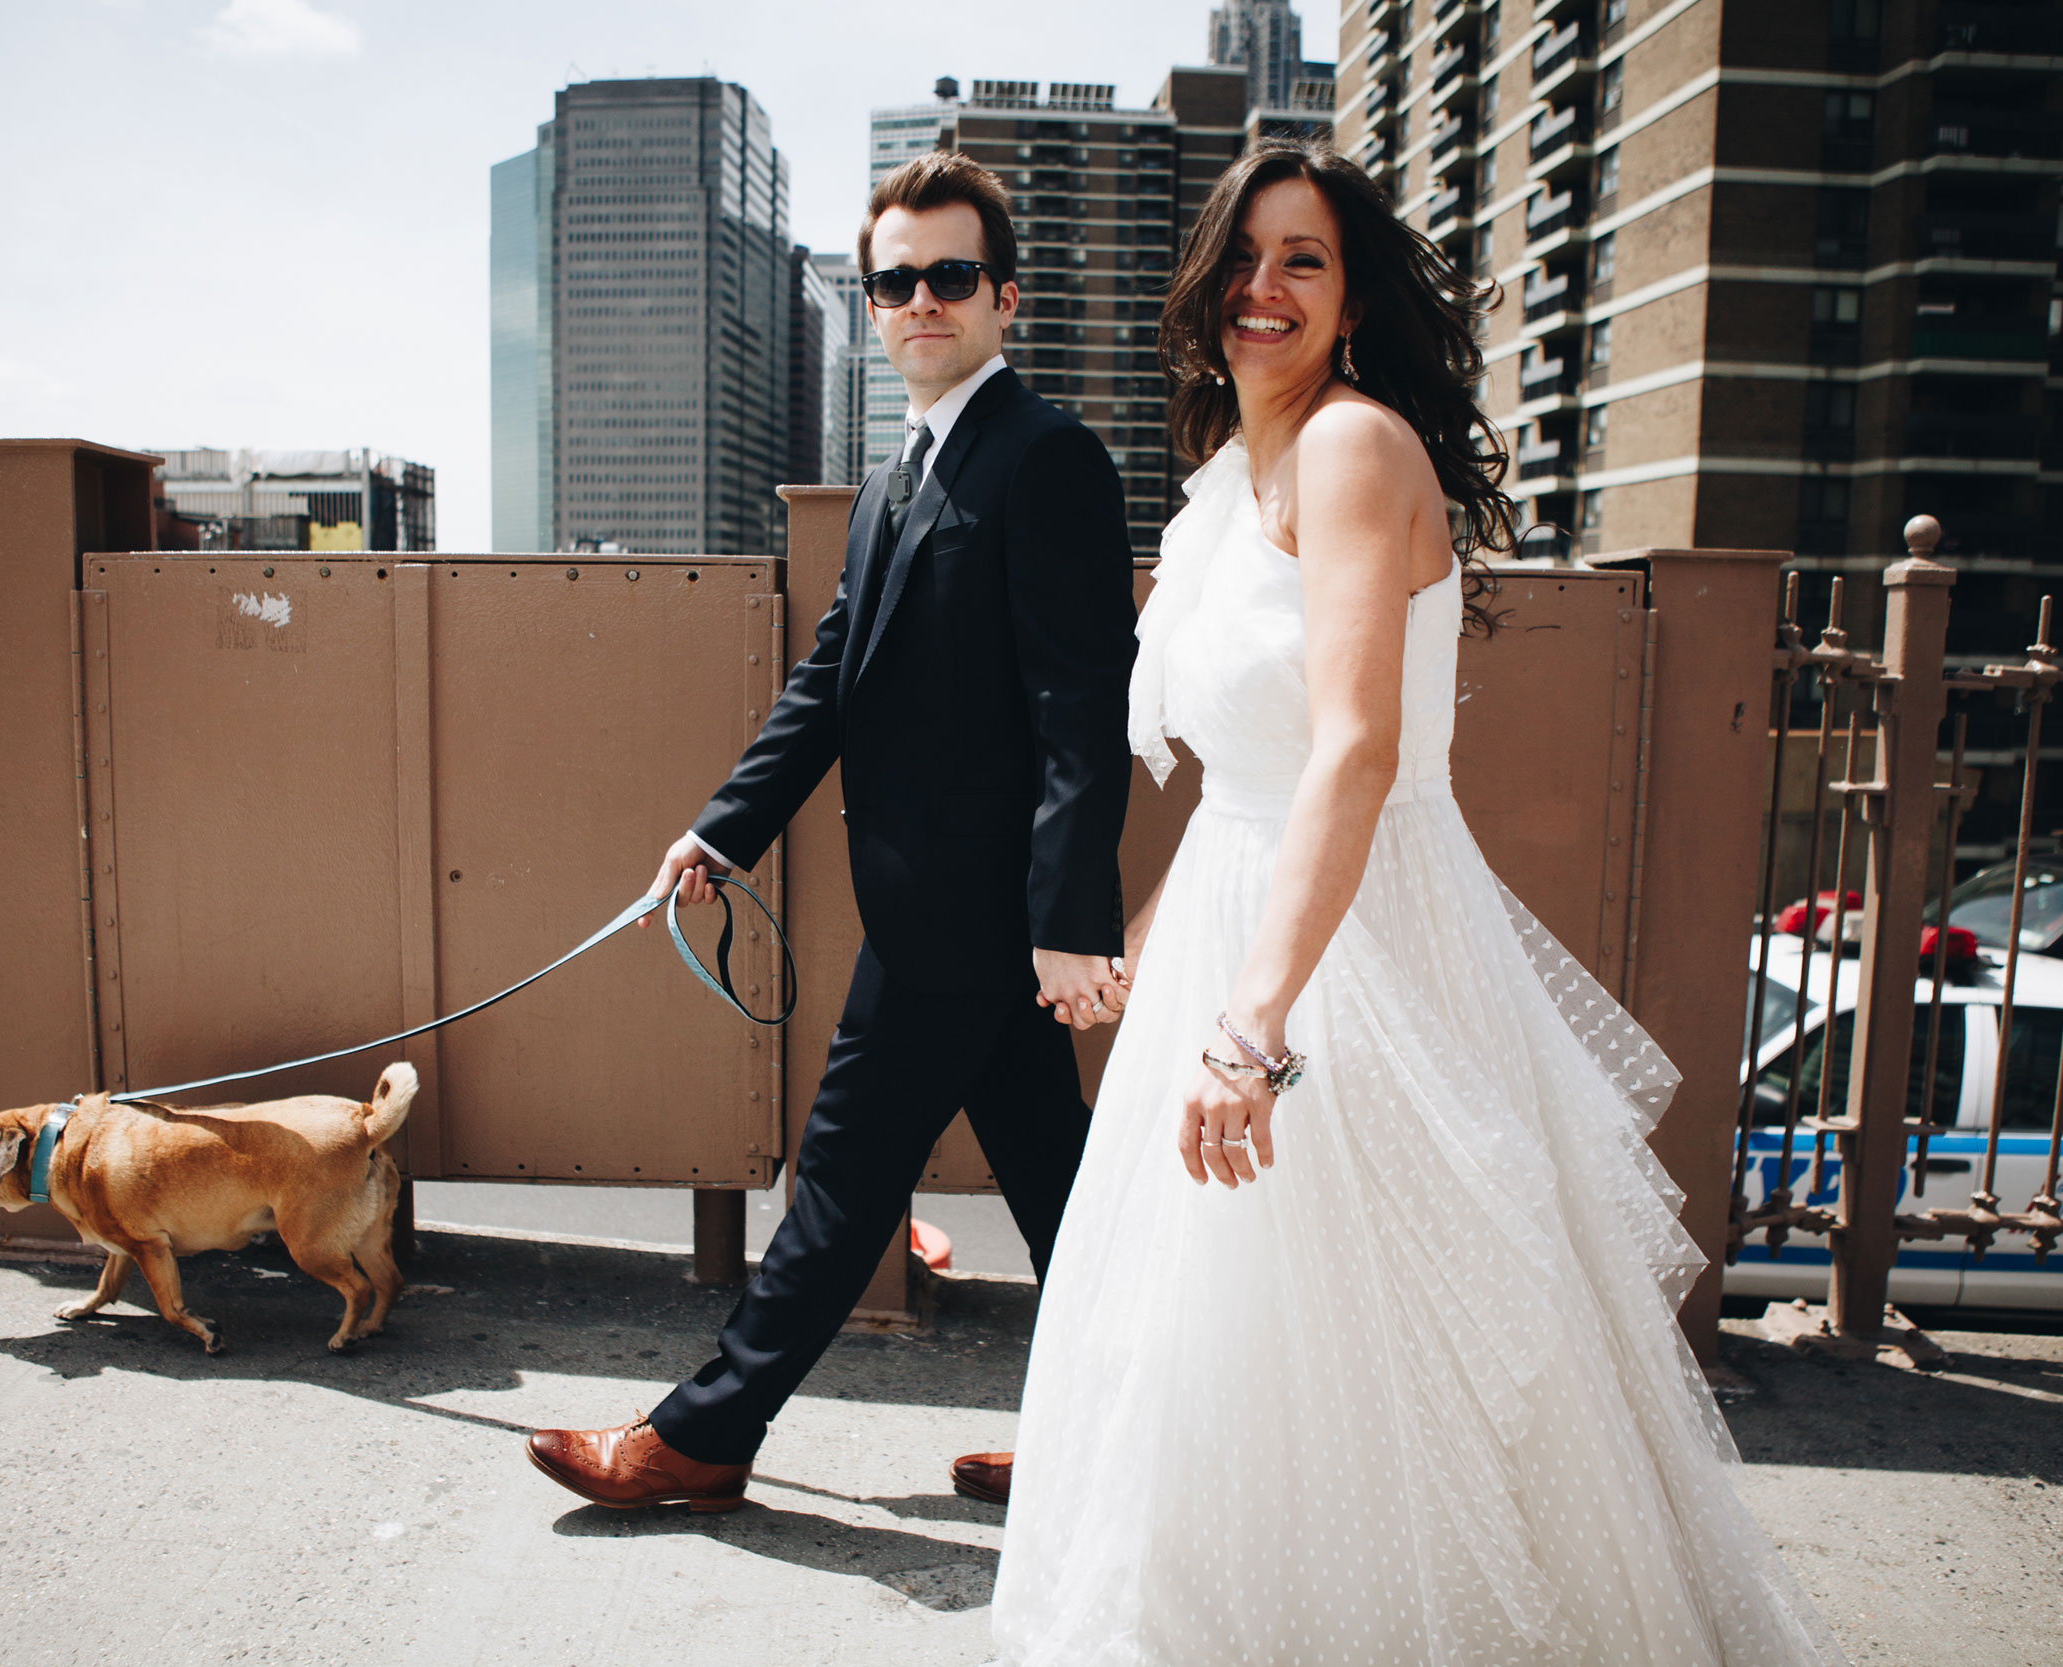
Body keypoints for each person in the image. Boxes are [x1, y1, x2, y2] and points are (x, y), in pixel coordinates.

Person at [990, 141, 1848, 1665]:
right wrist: (1161, 949)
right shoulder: (1227, 481)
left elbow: (1355, 750)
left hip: (1352, 949)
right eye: (1242, 256)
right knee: (1208, 1364)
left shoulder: (1352, 450)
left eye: (1303, 259)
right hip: (1241, 927)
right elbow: (1246, 779)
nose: (1263, 288)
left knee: (1385, 1361)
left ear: (1355, 298)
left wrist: (1254, 1025)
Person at [525, 152, 1139, 1515]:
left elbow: (1080, 712)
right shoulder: (891, 480)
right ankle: (1135, 1444)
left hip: (975, 931)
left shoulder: (1048, 461)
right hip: (933, 915)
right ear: (871, 305)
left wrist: (1064, 926)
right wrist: (721, 833)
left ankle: (700, 1438)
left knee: (843, 1186)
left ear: (1005, 298)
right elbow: (829, 682)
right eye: (895, 281)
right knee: (1077, 1204)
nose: (922, 300)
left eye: (951, 276)